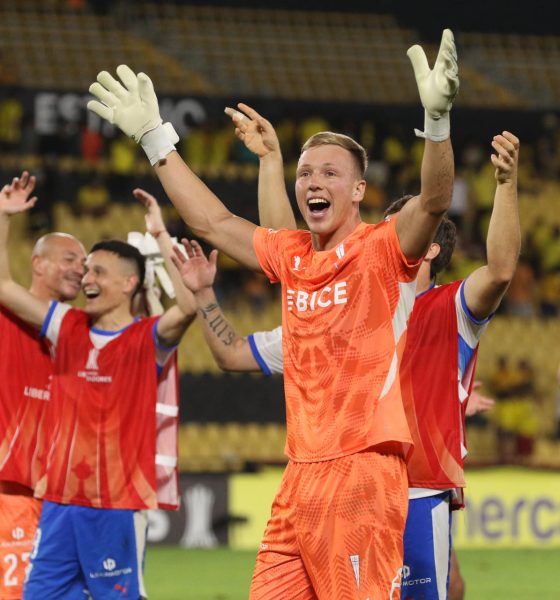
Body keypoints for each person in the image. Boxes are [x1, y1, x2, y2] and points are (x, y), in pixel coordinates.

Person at [89, 29, 458, 598]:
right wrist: (154, 138)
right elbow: (211, 223)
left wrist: (436, 125)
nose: (313, 181)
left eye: (329, 173)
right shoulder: (291, 257)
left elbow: (433, 202)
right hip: (299, 477)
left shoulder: (382, 249)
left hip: (361, 470)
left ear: (359, 190)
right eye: (306, 173)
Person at [215, 103, 520, 599]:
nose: (382, 235)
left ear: (428, 246)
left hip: (418, 487)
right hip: (348, 483)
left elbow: (502, 270)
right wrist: (270, 165)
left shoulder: (451, 307)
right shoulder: (340, 302)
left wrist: (505, 187)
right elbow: (293, 255)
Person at [0, 175, 196, 600]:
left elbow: (189, 305)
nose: (86, 277)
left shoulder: (145, 339)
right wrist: (3, 217)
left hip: (113, 506)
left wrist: (161, 234)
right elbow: (3, 288)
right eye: (86, 269)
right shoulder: (66, 327)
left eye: (98, 271)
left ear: (128, 284)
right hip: (58, 502)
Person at [0, 172, 86, 600]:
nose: (79, 268)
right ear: (38, 263)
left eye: (84, 263)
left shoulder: (85, 336)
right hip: (11, 496)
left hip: (64, 505)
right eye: (69, 258)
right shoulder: (7, 318)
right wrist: (3, 217)